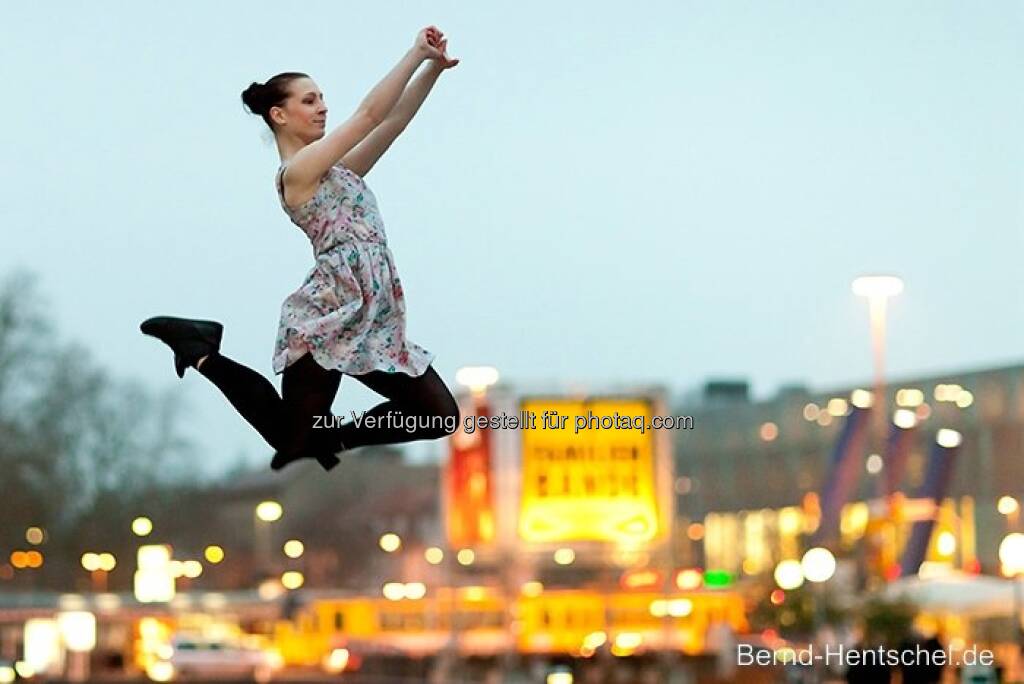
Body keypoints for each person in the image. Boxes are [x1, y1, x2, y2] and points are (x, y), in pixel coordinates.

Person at [141, 27, 461, 471]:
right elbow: (369, 115)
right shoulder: (298, 174)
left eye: (322, 98)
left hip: (372, 315)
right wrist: (413, 54)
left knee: (437, 416)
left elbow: (392, 122)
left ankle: (326, 440)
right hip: (328, 314)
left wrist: (432, 69)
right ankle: (199, 350)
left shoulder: (339, 171)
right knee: (292, 435)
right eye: (309, 100)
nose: (323, 107)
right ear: (279, 114)